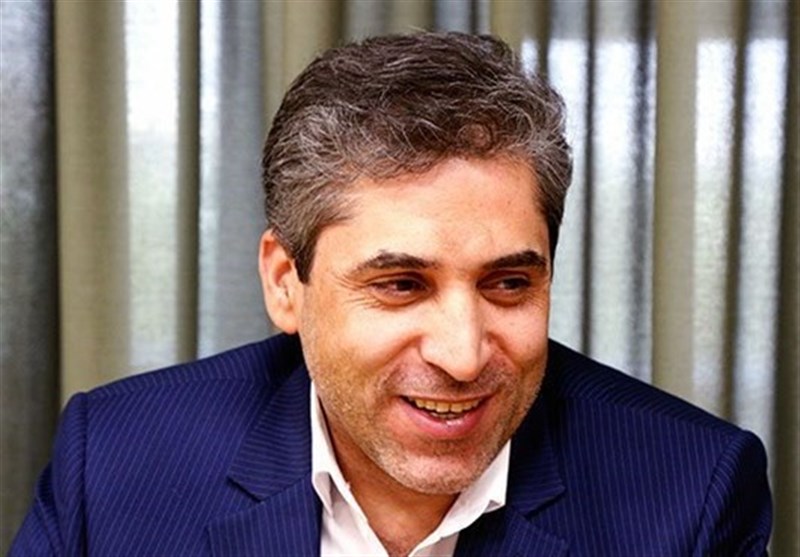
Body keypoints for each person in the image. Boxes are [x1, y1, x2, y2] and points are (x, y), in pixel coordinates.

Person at [10, 32, 771, 557]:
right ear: (285, 282)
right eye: (401, 285)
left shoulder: (691, 494)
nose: (463, 355)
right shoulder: (116, 461)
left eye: (509, 283)